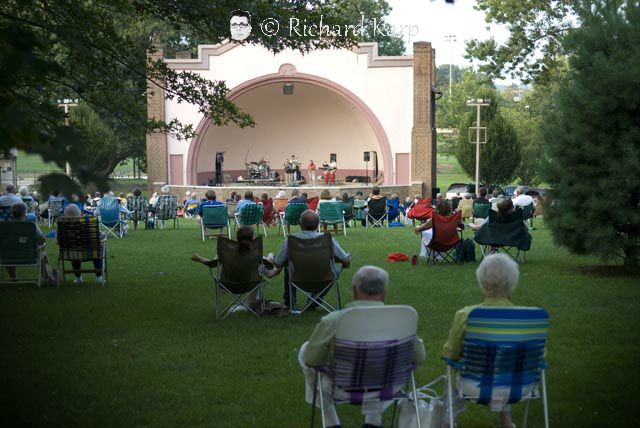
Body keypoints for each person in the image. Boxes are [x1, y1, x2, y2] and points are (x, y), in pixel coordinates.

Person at [299, 266, 426, 428]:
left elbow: (311, 359)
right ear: (384, 293)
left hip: (342, 388)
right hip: (388, 387)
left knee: (305, 350)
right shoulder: (401, 320)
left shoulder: (334, 321)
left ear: (354, 290)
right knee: (383, 366)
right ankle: (373, 421)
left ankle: (330, 420)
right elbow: (419, 357)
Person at [441, 254, 524, 428]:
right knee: (505, 367)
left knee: (453, 372)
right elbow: (539, 356)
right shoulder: (527, 318)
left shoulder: (466, 315)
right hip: (517, 385)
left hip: (474, 385)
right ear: (512, 284)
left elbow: (450, 354)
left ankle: (447, 420)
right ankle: (506, 421)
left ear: (482, 284)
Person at [265, 210, 350, 309]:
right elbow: (345, 259)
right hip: (324, 279)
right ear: (318, 224)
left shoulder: (290, 240)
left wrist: (272, 257)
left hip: (298, 279)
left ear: (301, 224)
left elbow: (278, 264)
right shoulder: (327, 239)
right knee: (333, 271)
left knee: (288, 269)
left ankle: (290, 303)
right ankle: (314, 302)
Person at [191, 226, 268, 307]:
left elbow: (212, 264)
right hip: (251, 284)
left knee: (222, 262)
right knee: (260, 270)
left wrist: (199, 258)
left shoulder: (227, 251)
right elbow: (269, 265)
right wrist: (270, 257)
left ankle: (250, 303)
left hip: (227, 285)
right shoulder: (255, 252)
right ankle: (253, 303)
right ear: (252, 238)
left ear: (237, 237)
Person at [6, 203, 56, 284]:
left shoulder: (5, 227)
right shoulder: (31, 226)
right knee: (43, 255)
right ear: (25, 213)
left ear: (11, 213)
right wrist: (42, 248)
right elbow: (41, 239)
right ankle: (47, 278)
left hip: (9, 255)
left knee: (8, 253)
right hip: (30, 255)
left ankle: (13, 278)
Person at [61, 204, 105, 284]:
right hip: (90, 253)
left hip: (71, 254)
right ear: (79, 213)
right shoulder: (86, 224)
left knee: (74, 250)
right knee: (97, 247)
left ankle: (78, 278)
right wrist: (103, 236)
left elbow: (58, 241)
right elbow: (98, 236)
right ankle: (99, 277)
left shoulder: (62, 226)